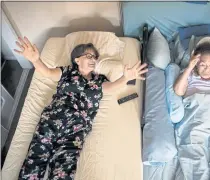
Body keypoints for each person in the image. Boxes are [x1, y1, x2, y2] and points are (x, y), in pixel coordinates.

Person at [14, 36, 148, 180]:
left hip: (76, 129)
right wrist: (35, 60)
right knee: (34, 162)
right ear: (77, 60)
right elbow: (47, 72)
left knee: (63, 171)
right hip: (52, 120)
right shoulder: (67, 72)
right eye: (89, 55)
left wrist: (126, 78)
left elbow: (112, 87)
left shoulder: (99, 80)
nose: (93, 59)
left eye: (95, 57)